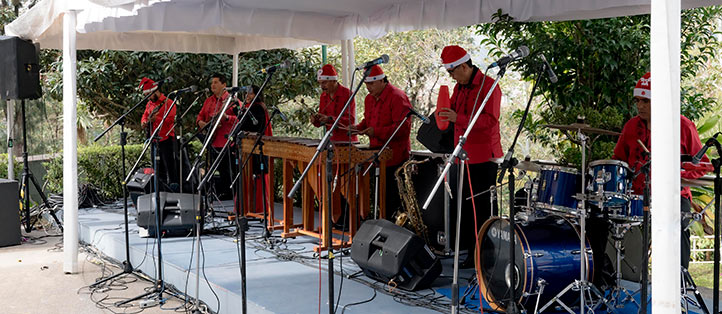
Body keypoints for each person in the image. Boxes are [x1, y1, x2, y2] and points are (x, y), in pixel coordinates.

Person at [611, 71, 709, 271]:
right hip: (637, 197)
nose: (640, 106)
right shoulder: (631, 127)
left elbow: (703, 165)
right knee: (613, 229)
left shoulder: (683, 126)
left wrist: (675, 177)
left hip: (673, 196)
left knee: (677, 228)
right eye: (638, 100)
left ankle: (679, 284)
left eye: (645, 101)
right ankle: (625, 282)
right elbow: (618, 161)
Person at [437, 45, 503, 268]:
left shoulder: (489, 86)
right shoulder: (459, 87)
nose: (452, 77)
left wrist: (459, 118)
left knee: (482, 209)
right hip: (461, 156)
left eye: (453, 72)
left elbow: (490, 121)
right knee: (464, 207)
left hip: (484, 157)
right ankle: (469, 253)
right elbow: (453, 114)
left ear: (464, 66)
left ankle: (485, 257)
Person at [348, 65, 411, 221]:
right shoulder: (369, 99)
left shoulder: (397, 96)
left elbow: (403, 128)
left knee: (392, 202)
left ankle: (393, 233)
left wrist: (376, 132)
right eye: (366, 84)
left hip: (396, 158)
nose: (368, 88)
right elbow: (368, 121)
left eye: (371, 84)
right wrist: (357, 128)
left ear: (382, 80)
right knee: (379, 200)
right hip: (376, 157)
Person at [196, 73, 238, 200]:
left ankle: (231, 197)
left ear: (224, 85)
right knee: (212, 170)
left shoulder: (233, 100)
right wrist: (201, 123)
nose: (212, 85)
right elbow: (199, 116)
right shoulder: (208, 101)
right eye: (212, 82)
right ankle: (213, 193)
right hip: (212, 141)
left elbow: (240, 119)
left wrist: (227, 118)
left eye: (216, 82)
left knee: (228, 172)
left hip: (227, 142)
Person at [139, 77, 178, 191]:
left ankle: (173, 190)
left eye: (150, 94)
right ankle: (160, 190)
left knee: (170, 166)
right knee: (157, 167)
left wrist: (157, 118)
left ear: (156, 91)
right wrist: (145, 122)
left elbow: (170, 120)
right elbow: (144, 116)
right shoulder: (149, 104)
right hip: (154, 139)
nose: (149, 98)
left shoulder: (169, 103)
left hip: (166, 139)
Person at [311, 64, 358, 143]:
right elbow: (322, 119)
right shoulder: (323, 96)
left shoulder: (347, 94)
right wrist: (316, 120)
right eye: (320, 83)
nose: (322, 86)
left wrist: (329, 119)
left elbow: (350, 120)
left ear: (334, 81)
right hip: (331, 140)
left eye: (324, 82)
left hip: (347, 141)